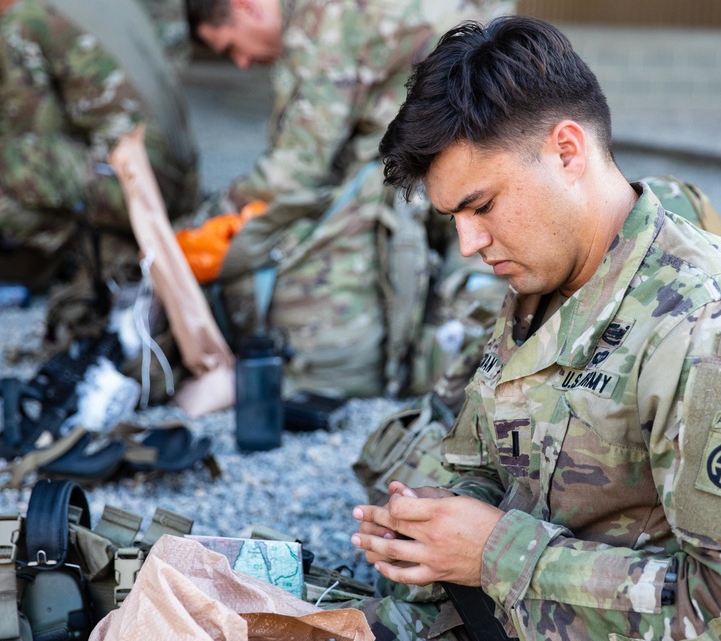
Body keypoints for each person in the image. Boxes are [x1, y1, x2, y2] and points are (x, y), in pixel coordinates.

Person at [344, 16, 721, 641]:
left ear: (566, 151)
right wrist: (428, 526)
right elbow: (484, 458)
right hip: (533, 637)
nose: (468, 243)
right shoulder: (547, 283)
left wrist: (500, 551)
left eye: (482, 205)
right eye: (453, 219)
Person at [184, 0, 512, 397]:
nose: (240, 64)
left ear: (246, 6)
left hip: (468, 138)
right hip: (490, 119)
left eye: (231, 47)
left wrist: (203, 224)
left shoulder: (320, 24)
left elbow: (300, 165)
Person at [0, 0, 199, 288]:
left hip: (136, 187)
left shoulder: (23, 20)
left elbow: (33, 137)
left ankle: (100, 250)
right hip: (182, 184)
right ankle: (121, 237)